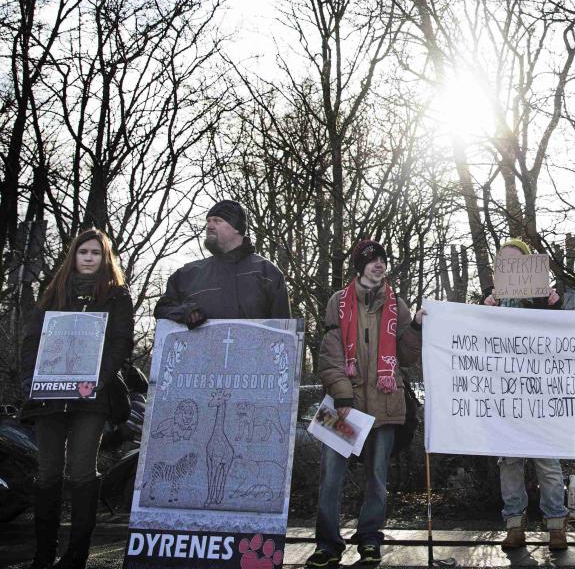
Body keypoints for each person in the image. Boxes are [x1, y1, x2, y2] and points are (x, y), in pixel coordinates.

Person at [19, 228, 135, 569]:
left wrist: (96, 381)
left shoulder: (116, 295)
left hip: (91, 397)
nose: (88, 258)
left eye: (96, 253)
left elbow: (121, 343)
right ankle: (43, 555)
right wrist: (30, 380)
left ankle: (75, 556)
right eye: (83, 252)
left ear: (105, 258)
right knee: (48, 473)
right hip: (49, 396)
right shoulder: (54, 291)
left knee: (83, 471)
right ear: (74, 256)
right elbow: (31, 341)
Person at [308, 240, 425, 567]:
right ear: (360, 266)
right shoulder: (338, 302)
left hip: (385, 403)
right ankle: (327, 545)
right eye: (372, 260)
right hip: (341, 405)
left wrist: (415, 327)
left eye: (382, 260)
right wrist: (342, 393)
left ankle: (370, 539)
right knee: (331, 476)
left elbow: (406, 357)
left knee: (377, 478)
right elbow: (329, 356)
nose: (379, 265)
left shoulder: (397, 305)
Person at [483, 238, 569, 552]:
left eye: (516, 263)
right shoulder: (490, 304)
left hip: (541, 395)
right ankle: (514, 524)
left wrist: (553, 305)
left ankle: (556, 524)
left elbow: (564, 336)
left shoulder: (545, 301)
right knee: (509, 463)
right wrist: (484, 312)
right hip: (506, 396)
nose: (510, 269)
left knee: (547, 462)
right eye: (503, 263)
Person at [154, 199, 290, 324]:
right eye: (208, 221)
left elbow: (283, 331)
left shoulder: (266, 272)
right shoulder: (188, 274)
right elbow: (162, 310)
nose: (209, 226)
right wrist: (185, 312)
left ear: (237, 227)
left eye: (217, 221)